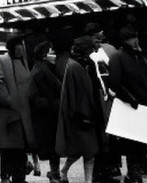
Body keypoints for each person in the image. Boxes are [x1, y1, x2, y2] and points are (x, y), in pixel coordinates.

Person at [108, 28, 147, 183]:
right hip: (130, 107)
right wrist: (130, 98)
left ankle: (133, 176)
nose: (137, 41)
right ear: (126, 40)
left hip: (142, 106)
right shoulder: (118, 56)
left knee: (139, 145)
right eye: (133, 38)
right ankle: (134, 177)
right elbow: (114, 83)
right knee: (132, 146)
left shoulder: (137, 56)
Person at [59, 36, 106, 183]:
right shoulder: (75, 66)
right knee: (86, 150)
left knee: (85, 150)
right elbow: (71, 93)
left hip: (86, 113)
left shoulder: (81, 64)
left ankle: (66, 172)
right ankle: (70, 173)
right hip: (81, 114)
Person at [0, 38, 37, 183]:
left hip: (24, 111)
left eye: (23, 45)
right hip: (10, 112)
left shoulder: (23, 62)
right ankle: (6, 176)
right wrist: (10, 100)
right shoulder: (1, 60)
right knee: (9, 147)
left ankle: (20, 176)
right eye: (19, 46)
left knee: (21, 147)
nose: (22, 49)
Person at [30, 42, 64, 183]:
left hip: (48, 114)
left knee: (53, 148)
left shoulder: (44, 69)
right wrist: (52, 103)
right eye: (51, 52)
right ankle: (54, 173)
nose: (54, 55)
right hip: (47, 116)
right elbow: (36, 95)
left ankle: (54, 173)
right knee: (52, 147)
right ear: (44, 56)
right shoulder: (41, 72)